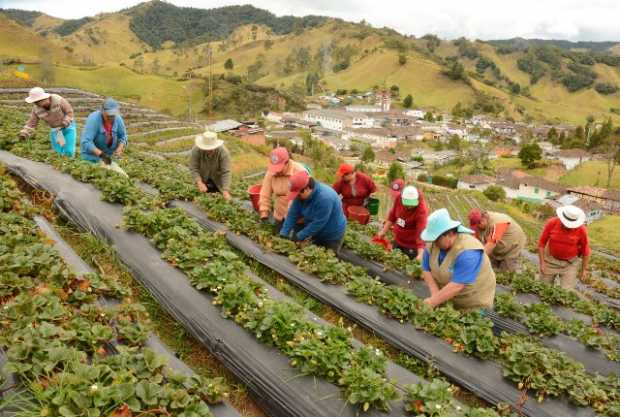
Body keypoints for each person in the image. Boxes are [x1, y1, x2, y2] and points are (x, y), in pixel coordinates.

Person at [419, 208, 496, 312]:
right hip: (449, 297)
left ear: (450, 234)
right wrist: (435, 295)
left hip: (473, 301)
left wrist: (432, 302)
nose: (433, 242)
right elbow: (426, 269)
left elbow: (457, 285)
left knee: (470, 324)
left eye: (436, 239)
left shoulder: (468, 251)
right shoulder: (433, 244)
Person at [280, 170, 347, 253]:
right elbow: (292, 214)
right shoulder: (300, 196)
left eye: (298, 194)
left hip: (332, 233)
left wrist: (299, 236)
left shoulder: (325, 198)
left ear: (307, 189)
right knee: (313, 253)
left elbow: (318, 223)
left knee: (329, 257)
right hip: (316, 231)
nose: (297, 197)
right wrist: (284, 232)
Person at [538, 205, 590, 290]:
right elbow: (541, 243)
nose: (568, 226)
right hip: (551, 260)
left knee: (565, 291)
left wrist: (583, 270)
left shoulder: (581, 230)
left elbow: (586, 252)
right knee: (543, 288)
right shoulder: (552, 223)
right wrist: (542, 263)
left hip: (570, 264)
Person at [19, 87, 76, 157]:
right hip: (58, 131)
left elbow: (69, 111)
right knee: (60, 150)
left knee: (69, 150)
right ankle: (60, 164)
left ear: (44, 98)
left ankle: (68, 164)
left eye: (37, 101)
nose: (36, 104)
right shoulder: (36, 109)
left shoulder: (58, 100)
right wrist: (25, 132)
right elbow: (32, 123)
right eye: (35, 102)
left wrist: (66, 121)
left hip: (68, 128)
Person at [258, 147, 305, 232]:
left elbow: (306, 198)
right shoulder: (271, 172)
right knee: (279, 238)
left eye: (279, 168)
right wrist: (264, 212)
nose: (276, 171)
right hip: (279, 215)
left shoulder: (299, 172)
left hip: (297, 218)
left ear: (287, 162)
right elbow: (265, 192)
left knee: (294, 242)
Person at [375, 185, 428, 260]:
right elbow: (392, 215)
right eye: (407, 204)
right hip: (398, 240)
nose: (409, 207)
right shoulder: (399, 198)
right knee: (392, 260)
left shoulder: (421, 211)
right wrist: (383, 231)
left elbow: (421, 232)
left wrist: (421, 254)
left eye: (411, 205)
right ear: (402, 198)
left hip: (411, 245)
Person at [80, 98, 128, 176]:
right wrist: (101, 155)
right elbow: (86, 141)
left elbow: (123, 136)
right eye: (108, 115)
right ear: (102, 111)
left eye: (113, 115)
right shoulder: (94, 119)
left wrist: (119, 148)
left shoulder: (117, 119)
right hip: (91, 157)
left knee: (122, 176)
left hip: (107, 158)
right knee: (104, 175)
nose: (111, 118)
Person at [189, 131, 232, 201]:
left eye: (211, 149)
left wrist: (225, 190)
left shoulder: (223, 152)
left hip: (217, 179)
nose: (209, 151)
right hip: (202, 177)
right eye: (206, 148)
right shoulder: (196, 150)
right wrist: (199, 182)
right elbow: (194, 168)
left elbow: (226, 172)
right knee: (201, 199)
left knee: (219, 199)